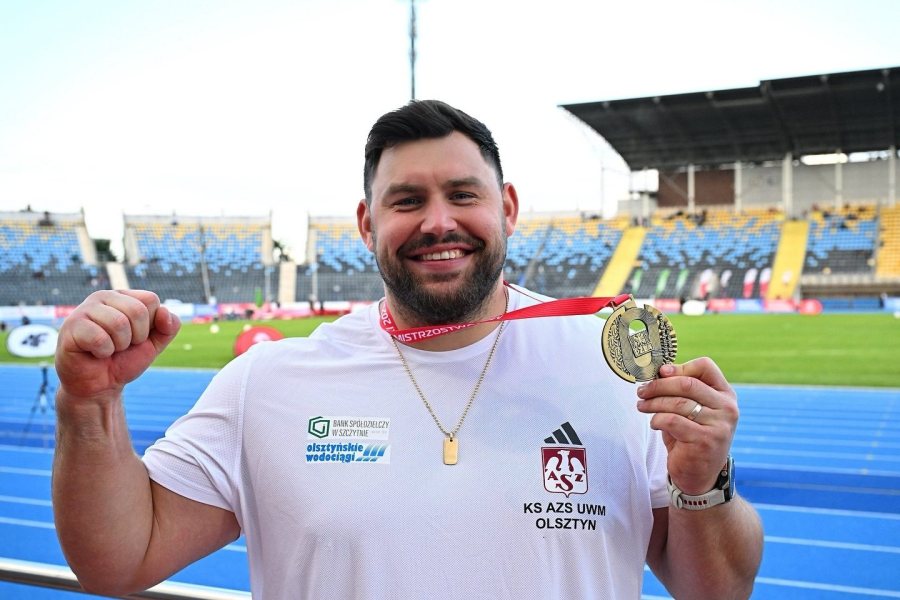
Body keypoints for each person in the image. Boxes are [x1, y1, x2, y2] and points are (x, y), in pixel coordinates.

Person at [53, 100, 763, 599]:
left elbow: (719, 591)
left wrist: (704, 484)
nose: (438, 222)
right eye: (407, 201)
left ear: (508, 209)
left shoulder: (617, 372)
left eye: (463, 194)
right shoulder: (267, 382)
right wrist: (90, 405)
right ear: (367, 224)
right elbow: (120, 561)